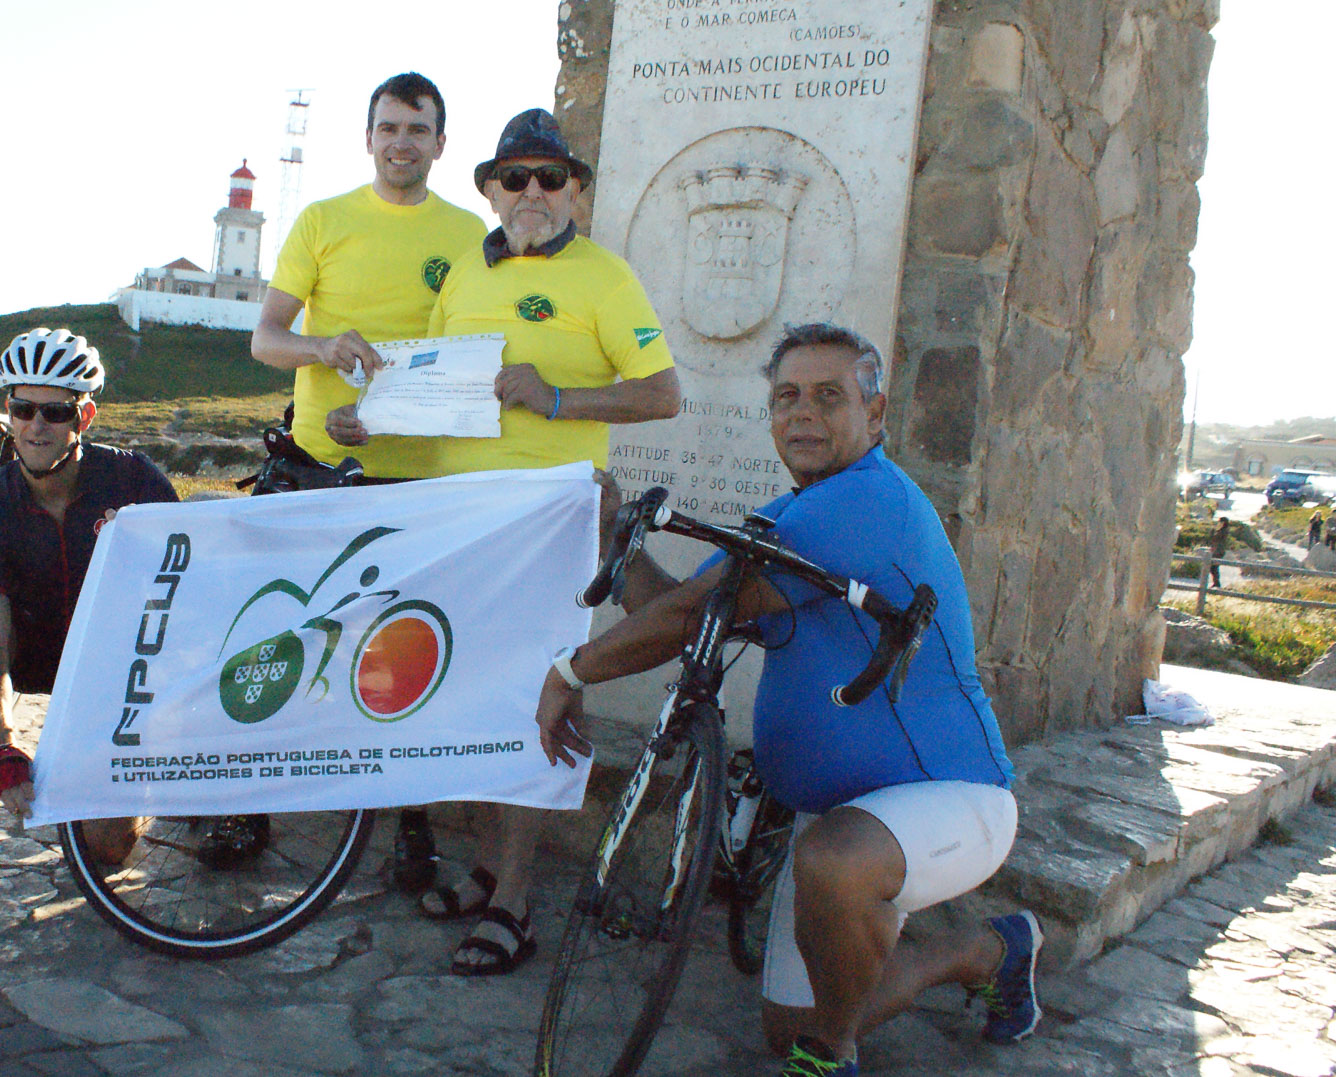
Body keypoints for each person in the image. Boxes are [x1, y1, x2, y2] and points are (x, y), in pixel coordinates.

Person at [532, 324, 1036, 1074]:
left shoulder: (863, 501)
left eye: (829, 396)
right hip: (836, 813)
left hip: (952, 797)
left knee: (833, 881)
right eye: (786, 397)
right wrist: (619, 537)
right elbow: (685, 607)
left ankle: (836, 1055)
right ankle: (986, 951)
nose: (803, 412)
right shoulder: (790, 517)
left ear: (876, 413)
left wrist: (571, 674)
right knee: (786, 1024)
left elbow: (684, 613)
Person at [345, 108, 680, 975]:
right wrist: (367, 420)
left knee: (541, 698)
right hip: (467, 513)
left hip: (551, 519)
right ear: (490, 190)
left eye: (551, 177)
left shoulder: (606, 278)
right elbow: (434, 385)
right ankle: (494, 864)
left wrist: (560, 401)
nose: (532, 192)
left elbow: (662, 393)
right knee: (474, 692)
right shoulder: (462, 272)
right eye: (515, 177)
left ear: (576, 191)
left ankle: (515, 901)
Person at [250, 72, 487, 891]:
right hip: (315, 466)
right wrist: (323, 350)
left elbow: (467, 355)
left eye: (417, 129)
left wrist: (395, 417)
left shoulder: (468, 232)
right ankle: (248, 806)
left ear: (441, 143)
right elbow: (266, 338)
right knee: (283, 638)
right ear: (367, 136)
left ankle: (411, 825)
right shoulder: (322, 219)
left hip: (418, 476)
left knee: (408, 653)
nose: (401, 142)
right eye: (388, 126)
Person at [0, 329, 180, 870]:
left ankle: (158, 790)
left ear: (84, 418)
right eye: (23, 408)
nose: (35, 426)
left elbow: (191, 590)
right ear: (9, 412)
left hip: (113, 668)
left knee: (106, 853)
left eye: (54, 413)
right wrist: (3, 746)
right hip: (28, 651)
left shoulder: (136, 481)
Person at [1209, 517, 1230, 587]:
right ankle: (1216, 582)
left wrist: (1212, 531)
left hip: (1219, 551)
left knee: (1213, 567)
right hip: (1217, 551)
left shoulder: (1223, 531)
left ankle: (1217, 583)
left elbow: (1215, 538)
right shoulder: (1222, 530)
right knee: (1213, 567)